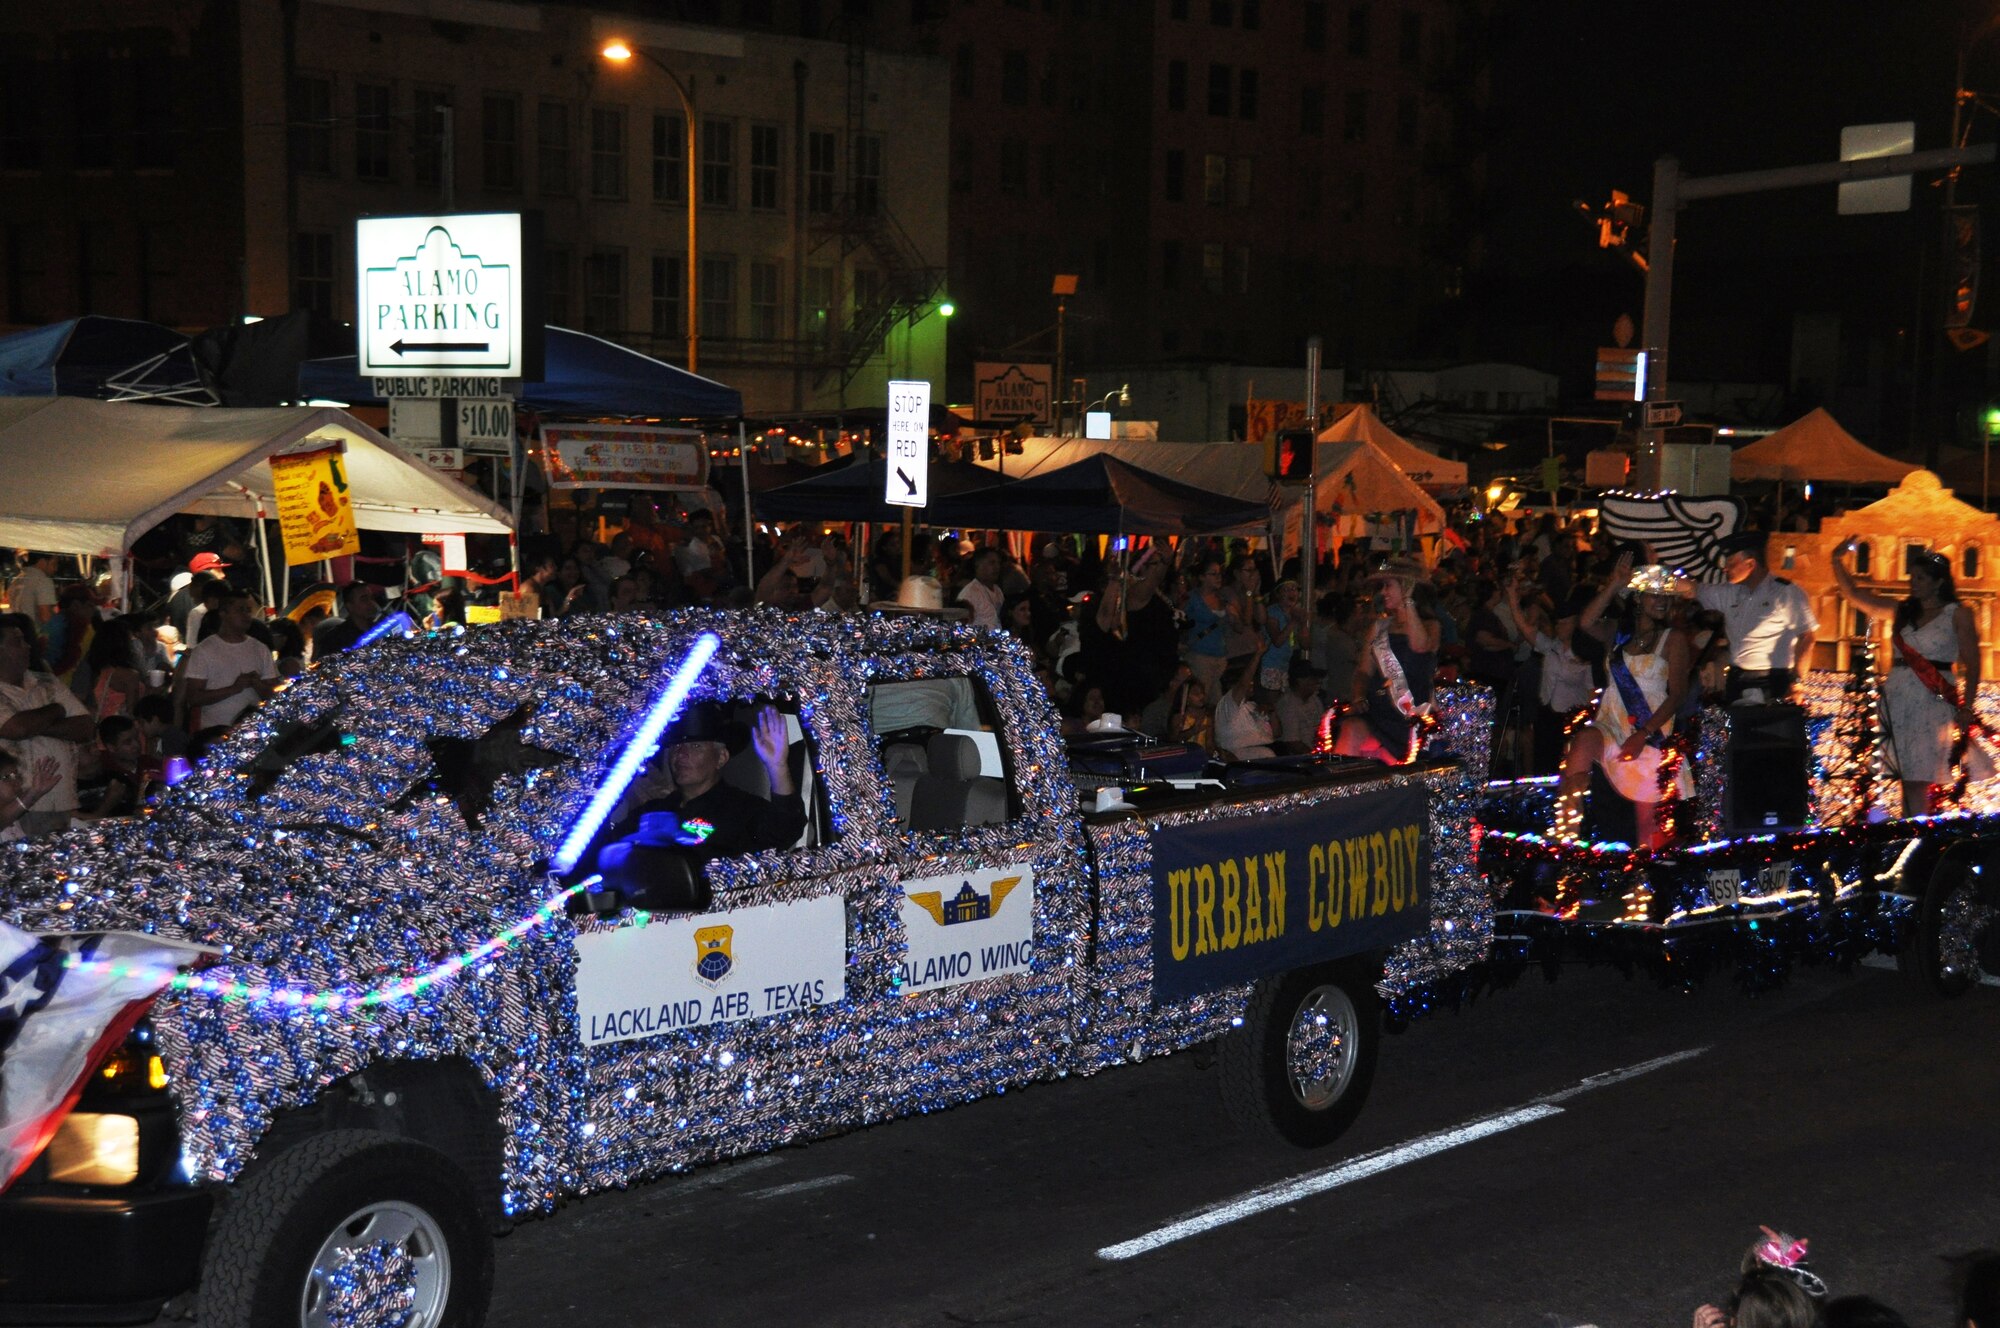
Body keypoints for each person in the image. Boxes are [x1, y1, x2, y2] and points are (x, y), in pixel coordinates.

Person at [1832, 541, 1984, 815]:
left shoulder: (1958, 614)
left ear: (1938, 582)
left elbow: (1973, 664)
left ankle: (1915, 831)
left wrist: (1967, 707)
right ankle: (1910, 827)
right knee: (1905, 775)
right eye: (1912, 577)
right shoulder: (1902, 611)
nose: (1913, 583)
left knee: (1917, 776)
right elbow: (1854, 594)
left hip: (1932, 699)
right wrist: (1836, 560)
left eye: (1920, 578)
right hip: (1898, 696)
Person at [1554, 562, 1694, 849]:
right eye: (1654, 595)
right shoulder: (1617, 633)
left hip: (1650, 728)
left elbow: (1678, 694)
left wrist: (1643, 733)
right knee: (1583, 742)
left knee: (1648, 831)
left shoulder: (1673, 639)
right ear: (1638, 598)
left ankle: (1645, 872)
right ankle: (1566, 841)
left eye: (1666, 596)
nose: (1662, 601)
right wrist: (1615, 585)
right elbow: (1585, 623)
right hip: (1610, 722)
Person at [611, 701, 803, 859]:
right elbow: (607, 848)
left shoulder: (741, 810)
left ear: (721, 758)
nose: (681, 754)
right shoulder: (653, 811)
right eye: (677, 746)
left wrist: (777, 766)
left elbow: (785, 829)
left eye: (695, 746)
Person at [1333, 558, 1440, 765]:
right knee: (1350, 729)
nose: (1383, 592)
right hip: (1377, 713)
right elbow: (1363, 671)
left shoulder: (1431, 625)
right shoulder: (1379, 627)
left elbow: (1419, 647)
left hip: (1411, 718)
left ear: (1407, 587)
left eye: (1388, 585)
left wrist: (1408, 602)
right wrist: (1358, 697)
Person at [0, 611, 95, 836]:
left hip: (59, 798)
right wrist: (57, 710)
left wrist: (34, 726)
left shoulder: (46, 681)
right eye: (17, 642)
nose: (27, 646)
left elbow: (85, 727)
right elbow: (16, 728)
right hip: (15, 803)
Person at [1699, 531, 1818, 703]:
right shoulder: (1731, 592)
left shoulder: (1784, 593)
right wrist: (1661, 580)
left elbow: (1807, 637)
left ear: (1750, 563)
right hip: (1737, 678)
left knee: (1770, 721)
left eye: (1731, 563)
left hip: (1773, 680)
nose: (1725, 568)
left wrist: (1797, 682)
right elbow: (1693, 590)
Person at [180, 590, 278, 731]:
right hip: (215, 733)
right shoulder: (204, 650)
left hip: (253, 730)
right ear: (223, 613)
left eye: (248, 610)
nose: (246, 615)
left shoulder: (260, 649)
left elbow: (275, 694)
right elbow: (193, 697)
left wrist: (257, 684)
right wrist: (234, 689)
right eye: (240, 610)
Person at [1213, 659, 1276, 760]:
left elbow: (1277, 733)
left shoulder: (1252, 706)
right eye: (1248, 681)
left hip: (1265, 752)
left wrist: (1271, 711)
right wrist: (1258, 655)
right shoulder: (1227, 704)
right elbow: (1242, 684)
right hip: (1239, 756)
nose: (1251, 684)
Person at [0, 748, 60, 843]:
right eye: (7, 777)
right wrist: (33, 794)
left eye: (16, 775)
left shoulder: (17, 818)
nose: (17, 782)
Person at [311, 581, 382, 656]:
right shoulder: (335, 639)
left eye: (372, 598)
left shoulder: (380, 630)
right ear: (350, 606)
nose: (371, 603)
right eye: (364, 599)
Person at [956, 549, 1006, 629]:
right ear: (978, 564)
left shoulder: (998, 590)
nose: (997, 567)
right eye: (992, 563)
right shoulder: (969, 593)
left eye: (998, 563)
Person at [6, 551, 60, 625]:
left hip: (18, 629)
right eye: (54, 564)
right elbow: (46, 618)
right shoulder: (42, 580)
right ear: (42, 561)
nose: (56, 569)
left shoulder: (16, 580)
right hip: (33, 630)